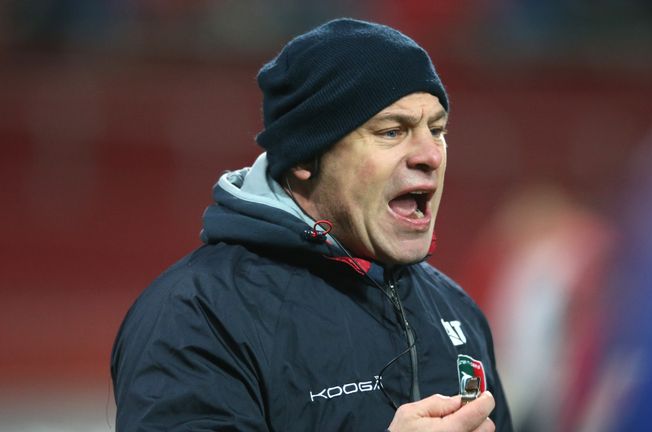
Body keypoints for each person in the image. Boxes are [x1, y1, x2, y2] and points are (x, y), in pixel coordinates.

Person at [111, 18, 512, 431]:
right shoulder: (197, 314)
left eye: (437, 130)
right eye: (392, 131)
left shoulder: (455, 309)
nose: (430, 154)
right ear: (305, 156)